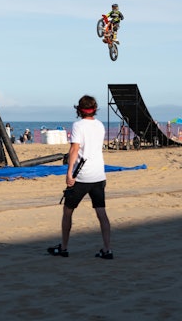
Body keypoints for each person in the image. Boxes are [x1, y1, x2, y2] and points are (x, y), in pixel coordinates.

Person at [47, 95, 113, 260]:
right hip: (99, 174)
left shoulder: (78, 125)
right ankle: (107, 249)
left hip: (82, 176)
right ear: (94, 109)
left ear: (79, 110)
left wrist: (69, 173)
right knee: (101, 212)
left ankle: (64, 247)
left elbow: (74, 150)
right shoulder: (99, 125)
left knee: (68, 210)